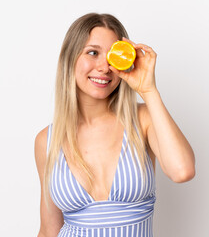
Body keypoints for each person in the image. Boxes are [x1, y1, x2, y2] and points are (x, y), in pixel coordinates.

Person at [34, 13, 195, 237]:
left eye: (113, 56)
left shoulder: (143, 120)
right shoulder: (47, 141)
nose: (105, 67)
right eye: (93, 52)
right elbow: (49, 229)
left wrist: (149, 91)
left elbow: (182, 171)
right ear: (70, 58)